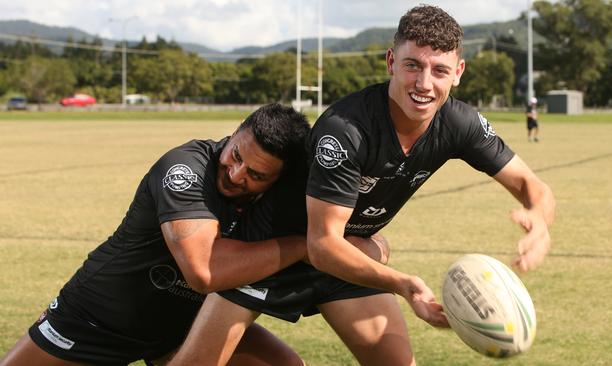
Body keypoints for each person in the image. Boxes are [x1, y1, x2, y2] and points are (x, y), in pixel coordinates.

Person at [165, 4, 556, 366]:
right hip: (271, 254)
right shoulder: (346, 130)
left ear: (458, 72)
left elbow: (531, 185)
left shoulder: (460, 123)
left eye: (439, 70)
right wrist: (405, 284)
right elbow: (321, 244)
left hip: (347, 264)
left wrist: (539, 219)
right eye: (412, 66)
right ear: (390, 61)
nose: (424, 83)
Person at [0, 103, 387, 366]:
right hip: (95, 320)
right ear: (235, 133)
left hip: (181, 328)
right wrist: (306, 246)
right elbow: (202, 271)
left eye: (256, 175)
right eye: (236, 156)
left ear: (278, 180)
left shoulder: (285, 196)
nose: (236, 175)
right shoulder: (184, 168)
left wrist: (371, 246)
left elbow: (351, 239)